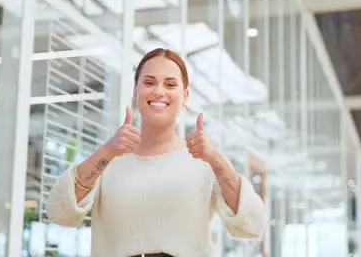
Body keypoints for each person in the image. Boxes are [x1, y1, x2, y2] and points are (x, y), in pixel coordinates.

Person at [46, 48, 266, 257]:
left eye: (170, 84)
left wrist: (217, 159)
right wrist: (108, 150)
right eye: (149, 82)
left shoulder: (203, 162)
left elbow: (253, 225)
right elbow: (59, 211)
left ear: (185, 95)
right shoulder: (110, 159)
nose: (159, 91)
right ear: (135, 91)